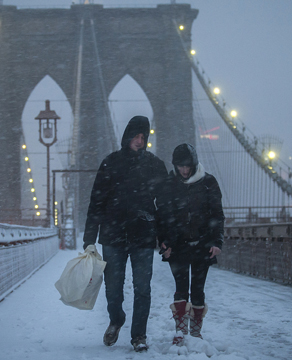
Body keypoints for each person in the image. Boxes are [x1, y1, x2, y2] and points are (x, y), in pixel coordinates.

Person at [83, 115, 167, 352]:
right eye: (136, 136)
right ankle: (116, 319)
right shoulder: (110, 163)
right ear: (127, 136)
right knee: (113, 287)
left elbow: (166, 205)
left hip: (143, 234)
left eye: (144, 137)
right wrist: (89, 238)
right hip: (113, 235)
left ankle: (138, 335)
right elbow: (96, 202)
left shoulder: (155, 165)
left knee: (142, 289)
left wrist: (165, 237)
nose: (139, 141)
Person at [157, 143, 225, 345]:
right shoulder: (169, 183)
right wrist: (163, 241)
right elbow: (162, 216)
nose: (184, 170)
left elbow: (217, 215)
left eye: (187, 166)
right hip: (177, 245)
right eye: (180, 166)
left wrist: (217, 241)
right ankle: (180, 331)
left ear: (194, 164)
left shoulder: (209, 182)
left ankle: (195, 332)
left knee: (197, 289)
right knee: (180, 288)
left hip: (203, 244)